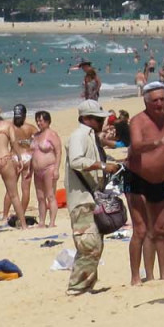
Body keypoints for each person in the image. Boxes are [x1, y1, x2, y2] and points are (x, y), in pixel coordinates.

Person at [125, 83, 164, 284]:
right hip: (137, 178)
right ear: (147, 102)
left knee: (162, 228)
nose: (160, 104)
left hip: (159, 181)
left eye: (163, 99)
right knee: (141, 230)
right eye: (156, 100)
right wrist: (157, 144)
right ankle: (136, 277)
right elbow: (136, 146)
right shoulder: (137, 121)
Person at [65, 99, 109, 296]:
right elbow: (76, 161)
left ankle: (85, 286)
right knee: (89, 245)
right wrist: (101, 166)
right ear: (86, 118)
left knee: (93, 245)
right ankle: (77, 287)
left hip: (92, 198)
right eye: (97, 118)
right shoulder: (79, 136)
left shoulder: (91, 136)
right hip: (81, 199)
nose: (102, 122)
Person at [28, 110, 62, 228]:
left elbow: (58, 152)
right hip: (37, 171)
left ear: (47, 121)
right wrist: (30, 169)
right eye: (37, 120)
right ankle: (42, 221)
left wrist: (57, 169)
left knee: (50, 195)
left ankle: (52, 222)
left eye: (41, 120)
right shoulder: (36, 136)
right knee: (40, 197)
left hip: (49, 168)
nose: (38, 123)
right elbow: (32, 154)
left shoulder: (52, 134)